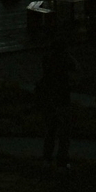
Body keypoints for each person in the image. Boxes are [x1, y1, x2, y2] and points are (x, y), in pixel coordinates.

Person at [37, 36, 76, 168]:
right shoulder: (66, 60)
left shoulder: (47, 60)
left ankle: (47, 159)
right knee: (64, 133)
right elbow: (77, 70)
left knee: (50, 131)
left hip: (49, 99)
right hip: (63, 99)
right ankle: (62, 160)